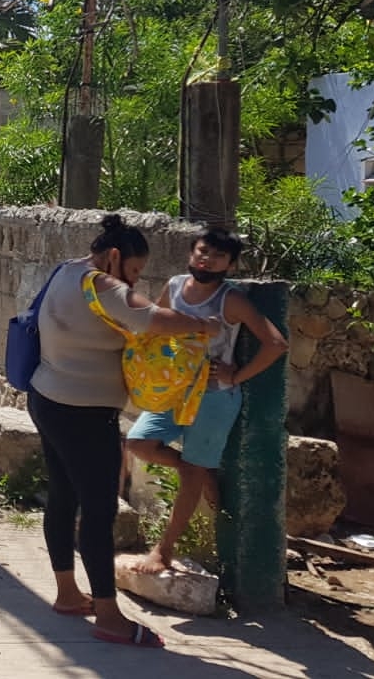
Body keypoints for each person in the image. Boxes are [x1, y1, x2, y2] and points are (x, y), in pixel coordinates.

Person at [28, 213, 222, 649]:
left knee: (63, 495)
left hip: (46, 397)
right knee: (99, 511)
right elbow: (153, 320)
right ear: (114, 257)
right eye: (134, 271)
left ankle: (67, 593)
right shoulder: (103, 285)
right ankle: (110, 616)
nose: (134, 281)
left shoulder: (68, 270)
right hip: (84, 413)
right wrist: (203, 326)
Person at [125, 229, 288, 575]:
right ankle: (193, 471)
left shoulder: (232, 300)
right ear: (191, 253)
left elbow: (275, 343)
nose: (206, 259)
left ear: (229, 264)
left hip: (214, 397)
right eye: (202, 251)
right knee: (139, 442)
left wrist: (236, 375)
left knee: (193, 472)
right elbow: (157, 326)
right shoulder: (173, 286)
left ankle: (163, 551)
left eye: (217, 255)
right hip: (174, 390)